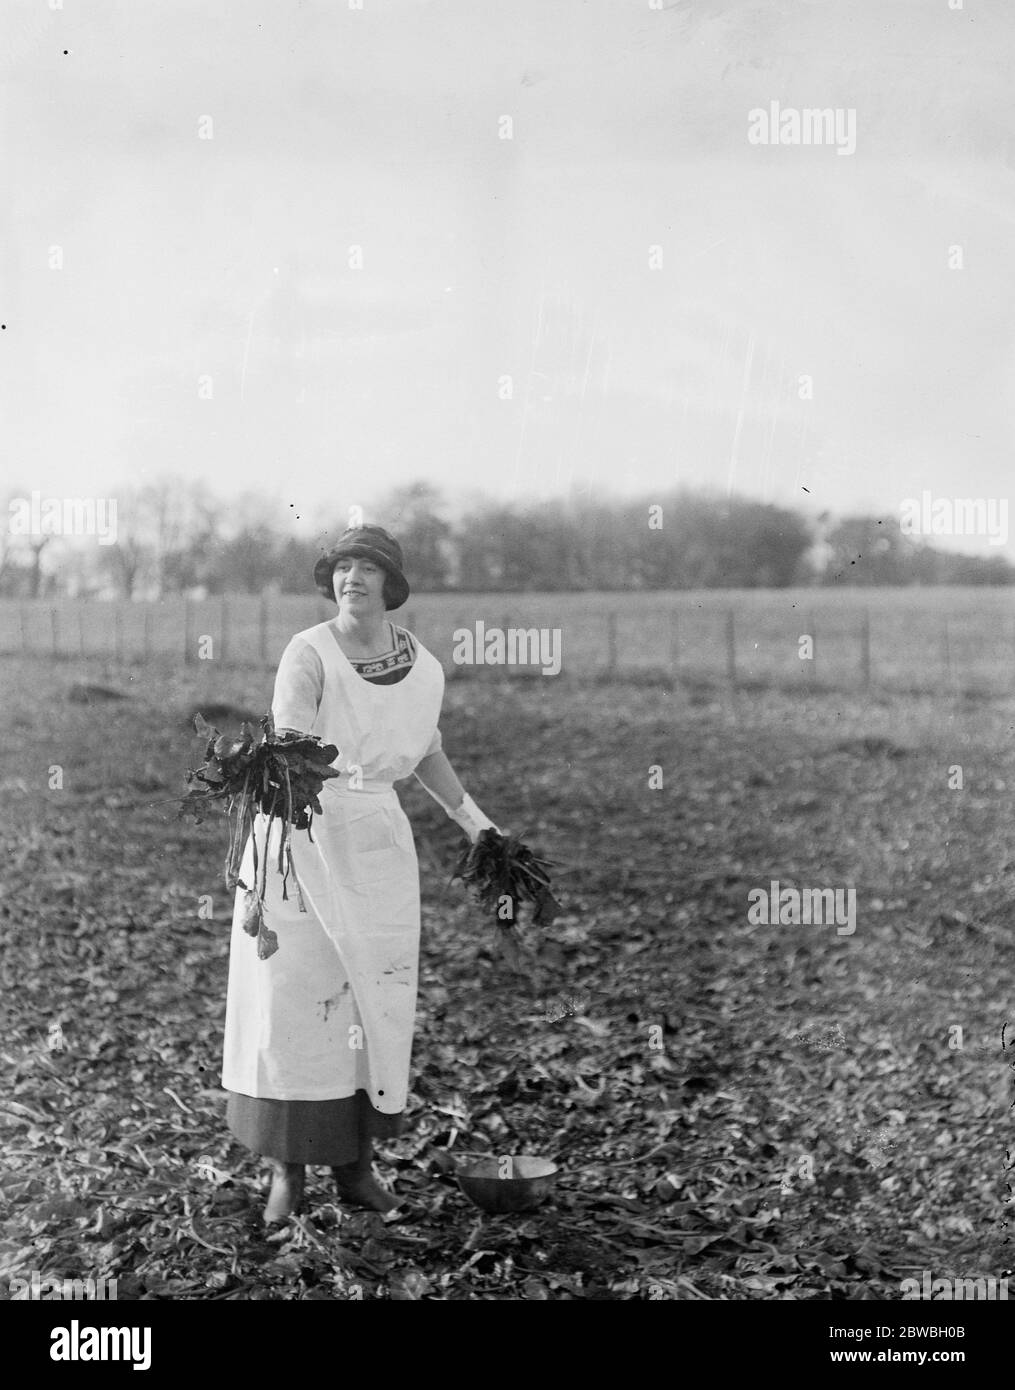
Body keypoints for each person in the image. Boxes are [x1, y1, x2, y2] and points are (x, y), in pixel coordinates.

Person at [221, 525, 501, 1222]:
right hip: (299, 835)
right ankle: (288, 1173)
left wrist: (481, 828)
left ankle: (356, 1168)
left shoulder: (425, 667)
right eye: (342, 567)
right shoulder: (308, 651)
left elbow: (427, 752)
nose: (352, 577)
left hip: (376, 840)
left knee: (368, 1001)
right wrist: (279, 791)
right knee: (294, 1000)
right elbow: (288, 738)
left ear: (391, 584)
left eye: (367, 567)